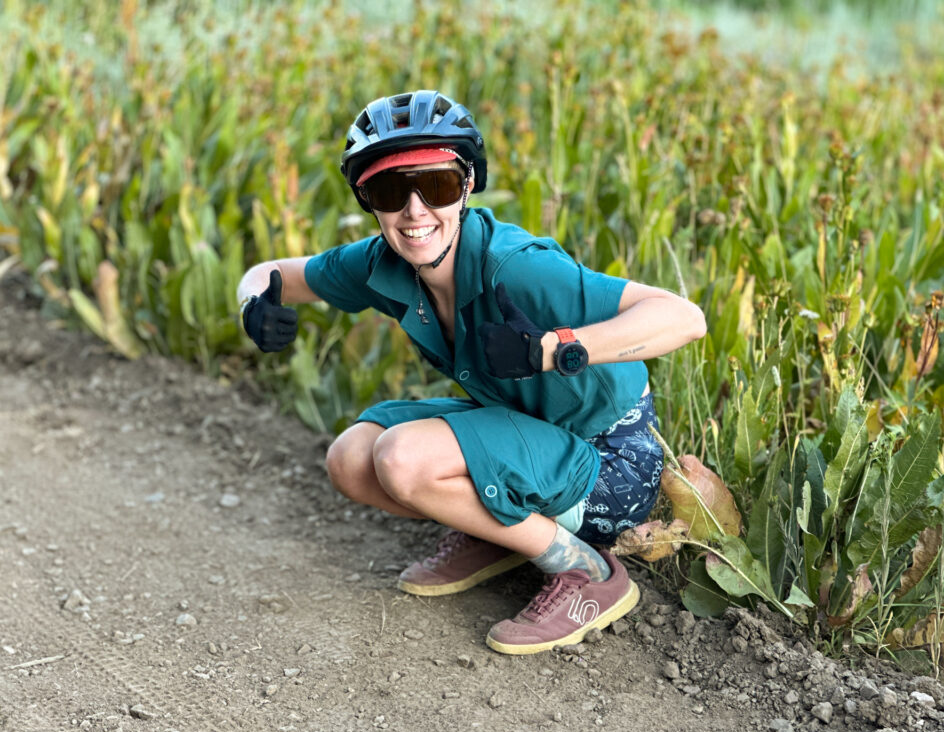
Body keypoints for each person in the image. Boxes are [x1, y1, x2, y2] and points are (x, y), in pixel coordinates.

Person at [236, 90, 706, 655]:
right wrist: (252, 303)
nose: (414, 211)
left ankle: (588, 572)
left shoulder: (519, 268)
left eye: (435, 186)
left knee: (402, 458)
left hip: (609, 467)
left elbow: (684, 318)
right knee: (351, 460)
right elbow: (273, 275)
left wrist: (552, 349)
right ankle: (503, 534)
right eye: (390, 191)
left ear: (466, 186)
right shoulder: (382, 262)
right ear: (368, 201)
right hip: (530, 439)